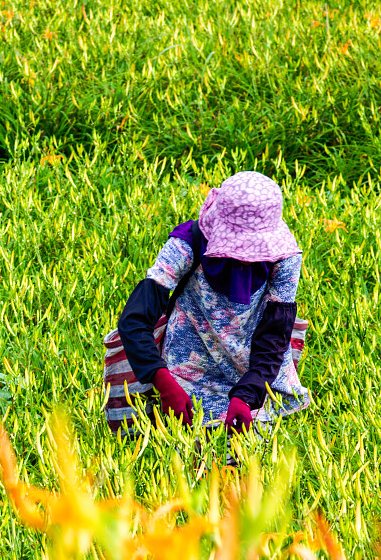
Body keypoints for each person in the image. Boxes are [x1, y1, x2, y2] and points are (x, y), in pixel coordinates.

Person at [116, 171, 310, 433]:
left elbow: (274, 336)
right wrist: (163, 382)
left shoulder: (284, 258)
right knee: (186, 455)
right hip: (189, 369)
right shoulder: (187, 244)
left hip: (257, 370)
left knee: (248, 464)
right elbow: (135, 319)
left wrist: (247, 395)